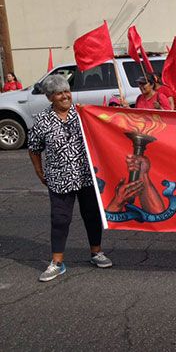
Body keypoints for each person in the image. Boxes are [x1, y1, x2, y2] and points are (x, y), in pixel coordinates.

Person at [28, 75, 112, 282]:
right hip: (59, 178)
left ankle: (96, 253)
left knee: (91, 215)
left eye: (67, 91)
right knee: (60, 220)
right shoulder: (42, 120)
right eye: (59, 93)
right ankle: (57, 262)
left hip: (86, 176)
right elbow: (34, 148)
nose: (65, 96)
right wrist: (39, 171)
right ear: (50, 98)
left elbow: (109, 128)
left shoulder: (84, 114)